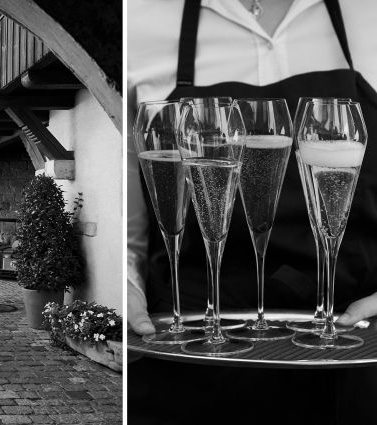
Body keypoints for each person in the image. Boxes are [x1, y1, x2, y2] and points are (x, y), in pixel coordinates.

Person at [127, 1, 377, 423]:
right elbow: (131, 212)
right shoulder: (139, 19)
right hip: (191, 355)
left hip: (356, 355)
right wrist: (124, 285)